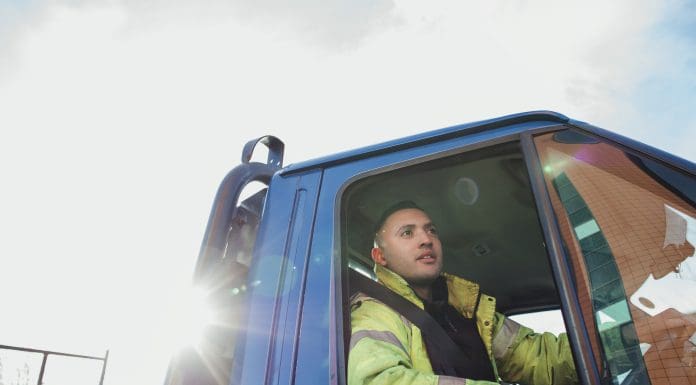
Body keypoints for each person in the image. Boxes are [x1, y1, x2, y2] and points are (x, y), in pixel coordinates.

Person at [348, 201, 578, 385]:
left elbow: (542, 360)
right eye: (407, 233)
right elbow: (379, 380)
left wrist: (602, 343)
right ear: (380, 257)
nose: (426, 239)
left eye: (432, 230)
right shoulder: (374, 312)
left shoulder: (469, 309)